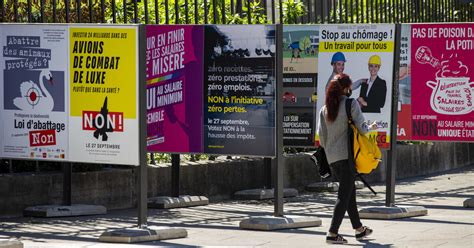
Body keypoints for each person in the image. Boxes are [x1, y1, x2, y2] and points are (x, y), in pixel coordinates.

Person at [317, 73, 377, 244]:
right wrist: (372, 126)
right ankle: (332, 233)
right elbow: (363, 129)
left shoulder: (324, 109)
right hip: (348, 157)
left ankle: (359, 229)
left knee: (349, 193)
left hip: (332, 158)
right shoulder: (351, 104)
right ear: (345, 88)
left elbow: (322, 139)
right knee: (343, 196)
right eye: (349, 87)